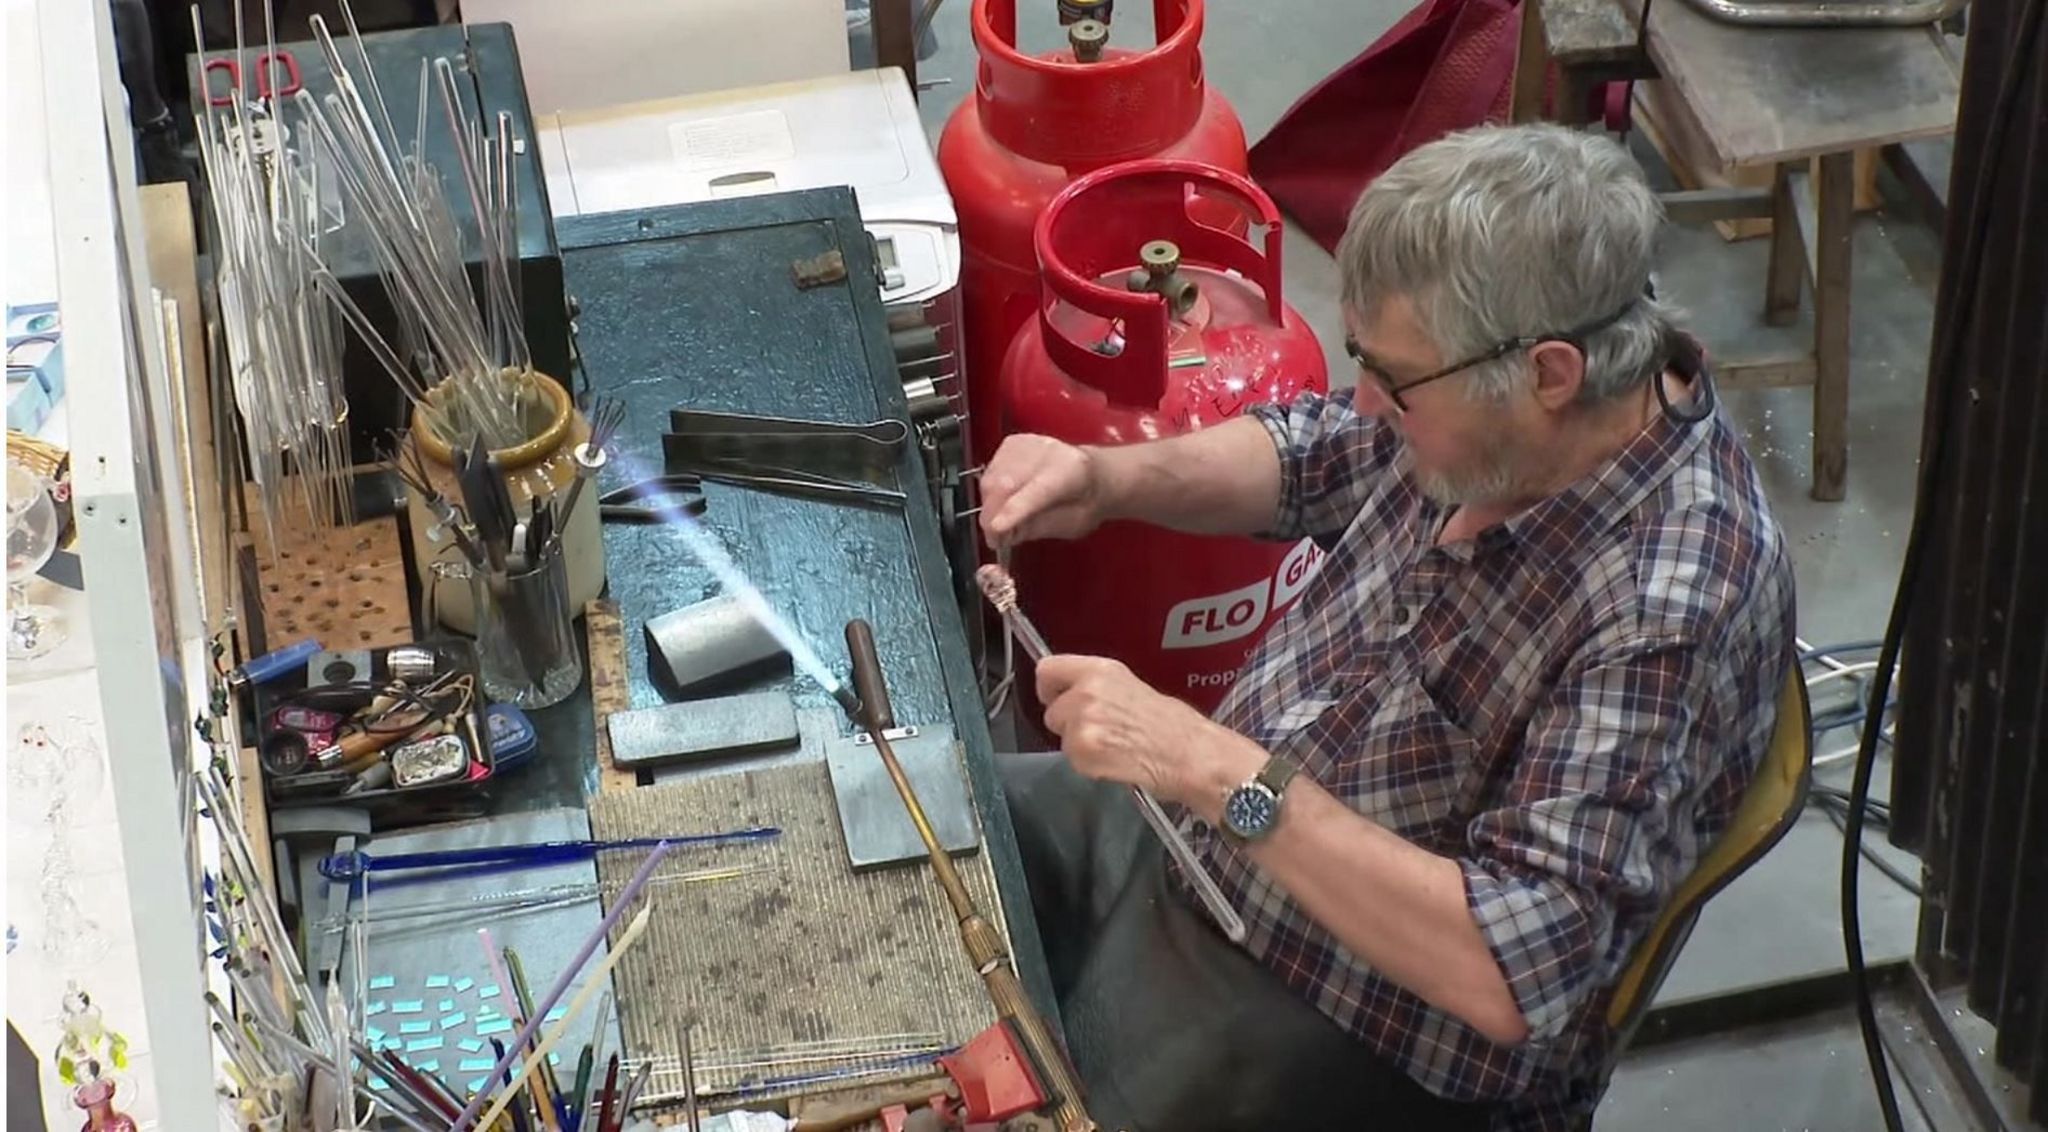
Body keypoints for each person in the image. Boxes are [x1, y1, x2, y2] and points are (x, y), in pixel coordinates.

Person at [979, 123, 1795, 1131]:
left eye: (1394, 380)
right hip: (1204, 833)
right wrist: (1103, 478)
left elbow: (1514, 967)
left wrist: (1210, 767)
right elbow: (1316, 452)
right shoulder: (1490, 413)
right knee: (924, 825)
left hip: (1351, 1012)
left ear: (1548, 372)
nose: (1364, 397)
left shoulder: (1664, 602)